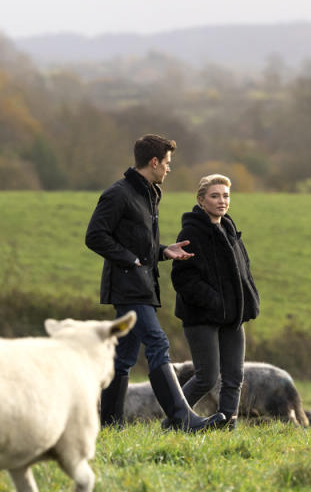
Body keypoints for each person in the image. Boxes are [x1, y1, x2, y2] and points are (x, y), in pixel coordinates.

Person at [85, 134, 225, 431]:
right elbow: (95, 236)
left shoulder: (148, 193)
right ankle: (182, 418)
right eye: (167, 163)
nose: (169, 169)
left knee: (122, 358)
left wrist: (163, 251)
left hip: (143, 284)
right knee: (158, 345)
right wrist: (129, 260)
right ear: (154, 162)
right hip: (128, 286)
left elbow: (137, 241)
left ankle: (109, 425)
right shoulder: (118, 194)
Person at [171, 174, 260, 429]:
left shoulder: (230, 229)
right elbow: (183, 279)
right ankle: (173, 420)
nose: (222, 201)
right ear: (201, 200)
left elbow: (244, 271)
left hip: (233, 317)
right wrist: (216, 303)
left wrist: (249, 298)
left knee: (234, 377)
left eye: (226, 195)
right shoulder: (190, 232)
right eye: (215, 196)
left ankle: (225, 429)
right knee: (206, 378)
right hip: (201, 318)